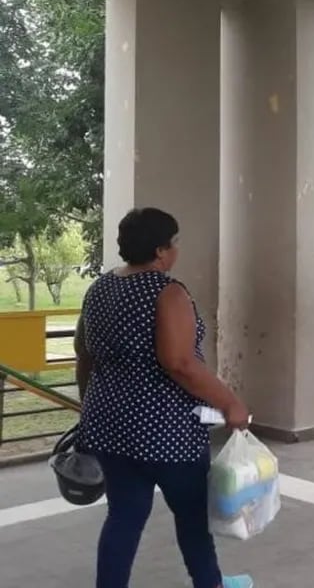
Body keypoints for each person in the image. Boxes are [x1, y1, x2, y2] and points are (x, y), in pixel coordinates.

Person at [73, 207, 253, 588]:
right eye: (174, 243)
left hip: (109, 426)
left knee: (123, 516)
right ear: (160, 250)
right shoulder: (166, 292)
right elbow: (180, 363)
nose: (176, 249)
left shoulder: (100, 289)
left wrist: (89, 408)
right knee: (192, 520)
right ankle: (211, 583)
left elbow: (83, 354)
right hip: (167, 431)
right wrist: (230, 402)